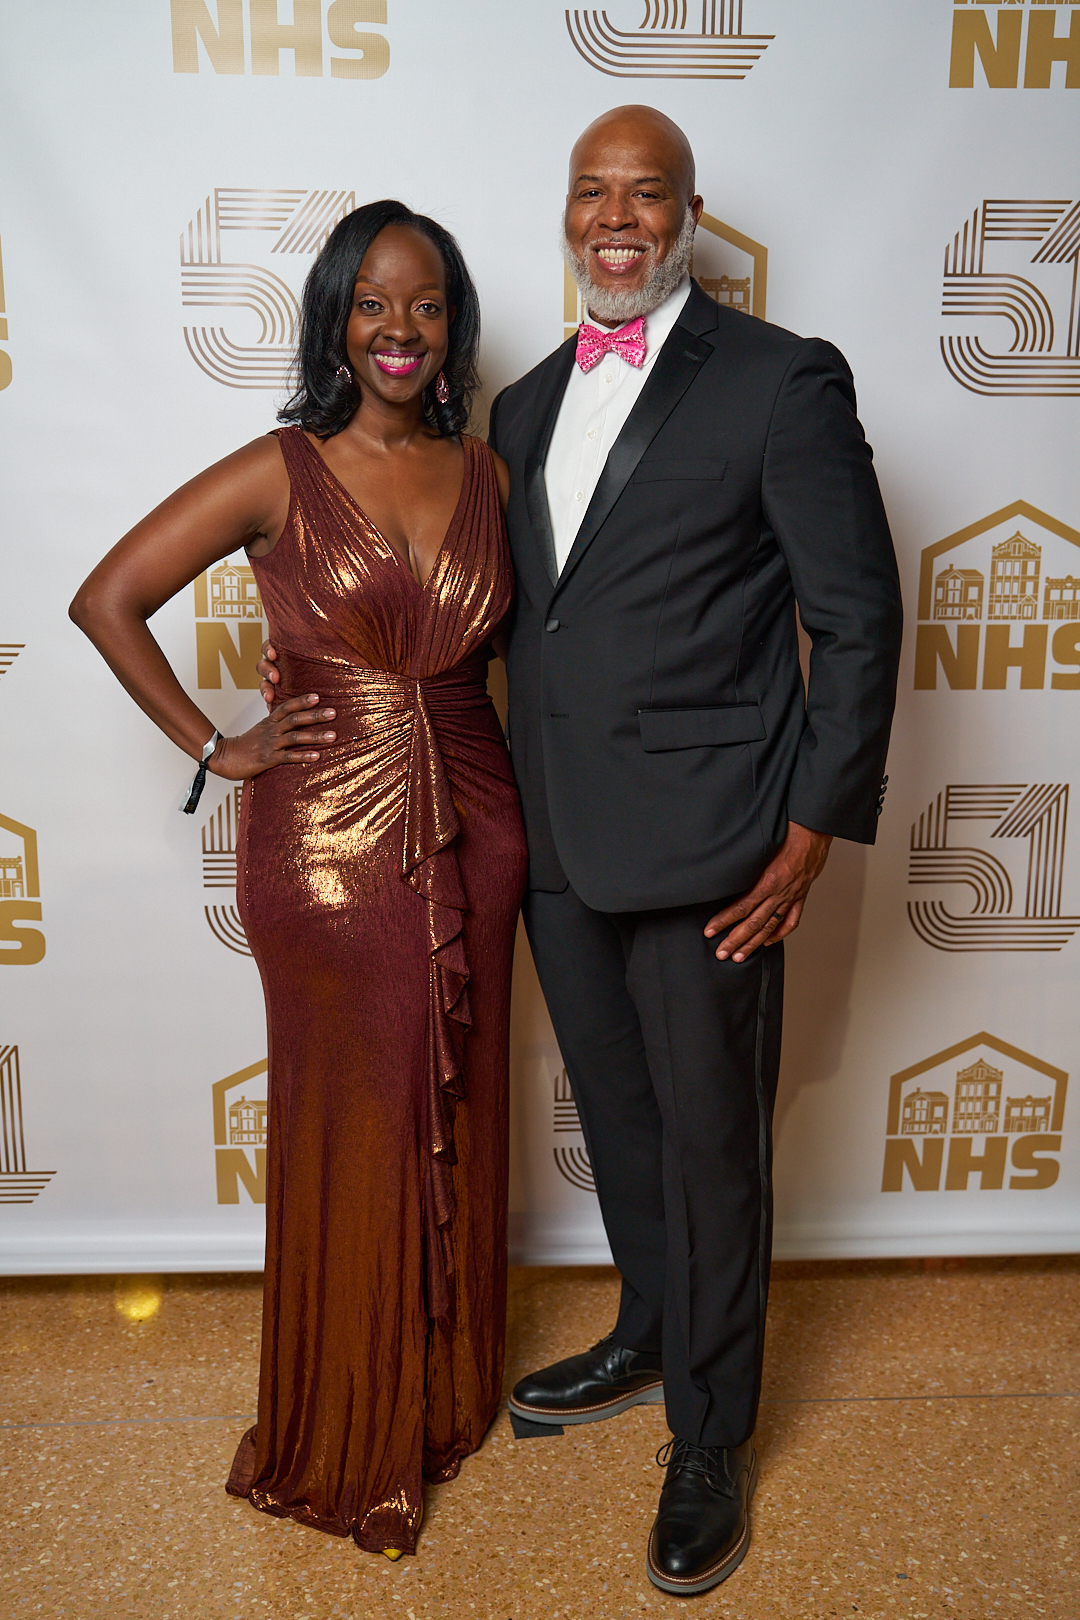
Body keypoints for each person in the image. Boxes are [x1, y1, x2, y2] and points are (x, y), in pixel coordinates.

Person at [70, 202, 527, 1556]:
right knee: (359, 1121)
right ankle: (343, 1423)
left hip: (480, 823)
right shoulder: (280, 470)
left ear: (454, 327)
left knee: (459, 1106)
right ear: (336, 318)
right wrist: (218, 745)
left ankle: (437, 1396)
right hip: (326, 842)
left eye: (427, 304)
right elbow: (107, 597)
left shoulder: (493, 475)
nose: (400, 328)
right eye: (372, 302)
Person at [494, 104, 901, 1596]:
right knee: (622, 1123)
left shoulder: (782, 381)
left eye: (646, 192)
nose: (617, 216)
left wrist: (810, 831)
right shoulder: (523, 406)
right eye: (592, 191)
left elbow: (857, 618)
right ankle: (653, 1332)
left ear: (689, 214)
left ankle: (713, 1432)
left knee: (715, 1145)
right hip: (558, 840)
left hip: (719, 846)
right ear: (567, 211)